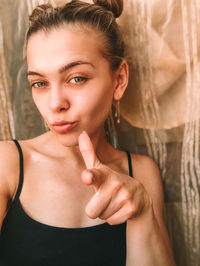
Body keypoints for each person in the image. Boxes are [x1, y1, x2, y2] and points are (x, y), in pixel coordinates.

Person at [0, 0, 176, 265]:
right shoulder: (7, 164)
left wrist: (142, 213)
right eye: (40, 83)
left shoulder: (141, 173)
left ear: (119, 80)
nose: (55, 103)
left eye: (76, 78)